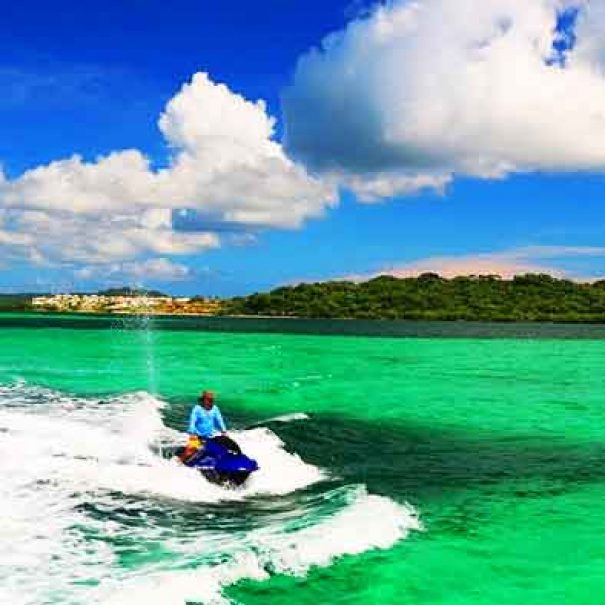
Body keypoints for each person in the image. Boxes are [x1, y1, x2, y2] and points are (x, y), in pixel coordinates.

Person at [179, 390, 227, 462]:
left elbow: (219, 419)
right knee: (189, 452)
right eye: (209, 400)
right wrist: (192, 433)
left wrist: (224, 430)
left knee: (217, 452)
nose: (211, 402)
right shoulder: (197, 409)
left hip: (210, 437)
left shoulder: (215, 408)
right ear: (204, 400)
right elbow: (192, 421)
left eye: (212, 400)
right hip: (196, 436)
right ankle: (180, 461)